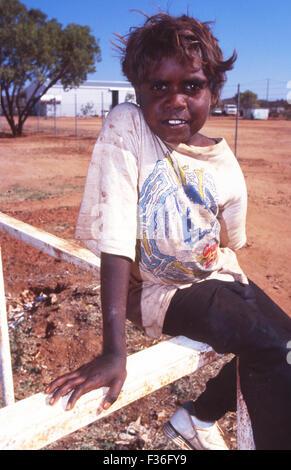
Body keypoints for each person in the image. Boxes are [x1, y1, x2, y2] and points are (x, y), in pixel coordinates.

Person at [45, 13, 291, 450]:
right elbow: (117, 236)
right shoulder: (130, 127)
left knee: (285, 343)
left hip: (216, 275)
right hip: (161, 291)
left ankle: (198, 417)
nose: (174, 99)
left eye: (191, 86)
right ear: (137, 92)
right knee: (270, 344)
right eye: (158, 86)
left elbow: (228, 243)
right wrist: (114, 351)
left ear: (214, 92)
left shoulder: (225, 165)